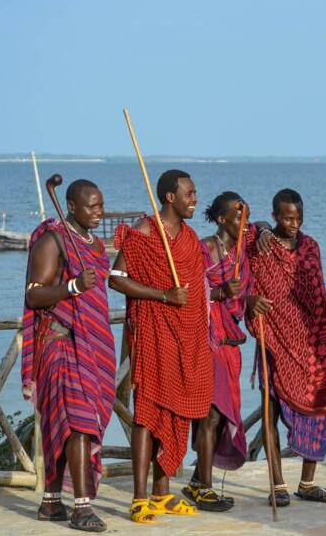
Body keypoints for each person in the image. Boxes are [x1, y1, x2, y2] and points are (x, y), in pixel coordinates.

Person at [109, 169, 212, 523]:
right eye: (190, 193)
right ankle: (140, 498)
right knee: (148, 414)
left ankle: (162, 493)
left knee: (177, 413)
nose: (195, 199)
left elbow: (196, 294)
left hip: (185, 338)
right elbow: (116, 279)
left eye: (195, 193)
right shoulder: (145, 231)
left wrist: (199, 339)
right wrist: (163, 295)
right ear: (170, 197)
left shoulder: (190, 236)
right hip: (153, 332)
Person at [21, 179, 115, 532]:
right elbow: (35, 296)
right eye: (91, 206)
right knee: (78, 422)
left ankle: (50, 502)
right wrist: (73, 286)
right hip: (61, 344)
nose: (98, 212)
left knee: (74, 422)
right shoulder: (53, 240)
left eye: (101, 205)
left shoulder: (93, 245)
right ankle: (81, 507)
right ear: (71, 206)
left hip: (91, 343)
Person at [246, 188, 326, 506]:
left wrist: (319, 342)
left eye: (298, 218)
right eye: (287, 218)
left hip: (312, 342)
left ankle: (308, 482)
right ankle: (277, 485)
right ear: (274, 216)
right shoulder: (259, 244)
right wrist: (249, 301)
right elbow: (241, 277)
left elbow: (316, 295)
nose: (294, 224)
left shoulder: (311, 246)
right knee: (269, 412)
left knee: (319, 407)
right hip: (273, 339)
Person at [182, 192, 273, 511]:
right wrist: (220, 293)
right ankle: (203, 488)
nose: (244, 222)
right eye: (238, 216)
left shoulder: (244, 244)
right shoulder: (206, 248)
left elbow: (263, 225)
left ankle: (197, 480)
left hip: (231, 343)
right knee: (212, 414)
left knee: (221, 416)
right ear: (222, 219)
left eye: (245, 216)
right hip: (208, 340)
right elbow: (189, 291)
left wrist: (262, 230)